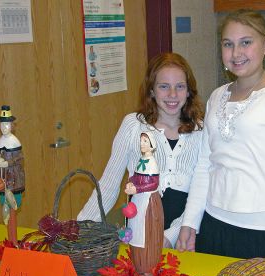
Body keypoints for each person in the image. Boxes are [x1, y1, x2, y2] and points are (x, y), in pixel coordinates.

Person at [176, 9, 265, 270]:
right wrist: (190, 221)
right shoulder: (218, 96)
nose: (236, 52)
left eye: (246, 42)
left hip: (260, 229)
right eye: (228, 44)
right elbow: (205, 166)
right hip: (213, 221)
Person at [77, 52, 204, 249]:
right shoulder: (133, 126)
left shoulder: (201, 132)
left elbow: (201, 194)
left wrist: (169, 237)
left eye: (180, 86)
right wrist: (81, 228)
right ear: (151, 90)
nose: (172, 94)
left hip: (184, 240)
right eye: (164, 86)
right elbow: (109, 185)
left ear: (189, 91)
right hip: (139, 238)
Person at [125, 132, 164, 276]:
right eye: (141, 141)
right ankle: (138, 266)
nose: (142, 144)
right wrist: (130, 183)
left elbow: (154, 183)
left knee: (147, 235)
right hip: (137, 201)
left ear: (152, 145)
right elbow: (135, 177)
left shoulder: (152, 163)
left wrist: (138, 188)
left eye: (145, 141)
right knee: (135, 231)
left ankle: (148, 268)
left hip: (149, 204)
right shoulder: (140, 160)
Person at [0, 105, 25, 245]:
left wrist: (8, 163)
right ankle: (9, 242)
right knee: (5, 210)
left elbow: (20, 158)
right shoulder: (0, 141)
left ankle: (14, 241)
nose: (4, 127)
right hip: (2, 178)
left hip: (14, 180)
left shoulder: (15, 141)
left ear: (12, 125)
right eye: (2, 124)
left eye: (7, 124)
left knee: (13, 210)